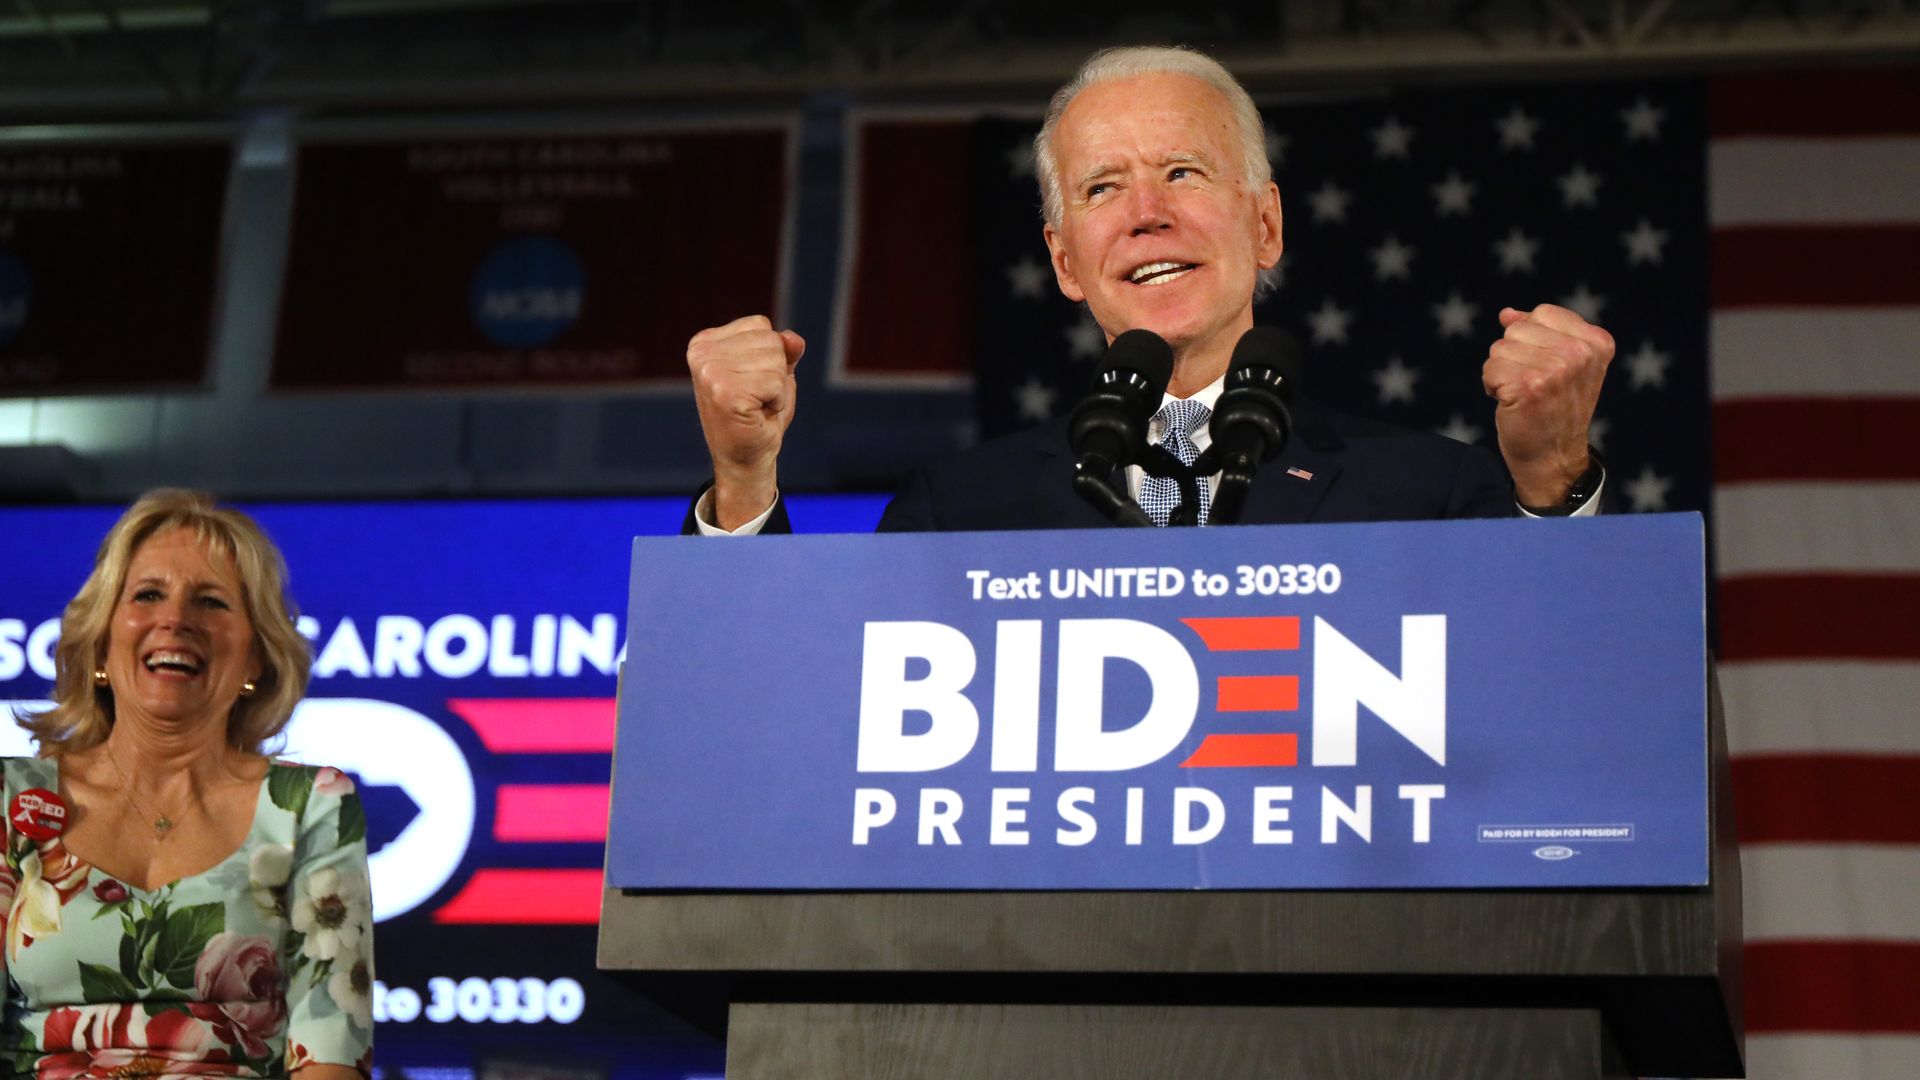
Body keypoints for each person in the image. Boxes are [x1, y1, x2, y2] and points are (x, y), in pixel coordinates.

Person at [685, 46, 1612, 534]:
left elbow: (1560, 689)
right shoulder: (959, 511)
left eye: (1182, 172)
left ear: (1265, 225)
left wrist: (1548, 477)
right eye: (1101, 188)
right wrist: (741, 482)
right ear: (1064, 261)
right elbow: (822, 718)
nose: (1145, 213)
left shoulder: (1429, 492)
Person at [1, 490, 372, 1077]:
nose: (175, 620)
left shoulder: (312, 806)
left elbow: (330, 1051)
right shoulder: (9, 801)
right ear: (100, 642)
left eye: (212, 602)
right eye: (147, 594)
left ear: (255, 660)